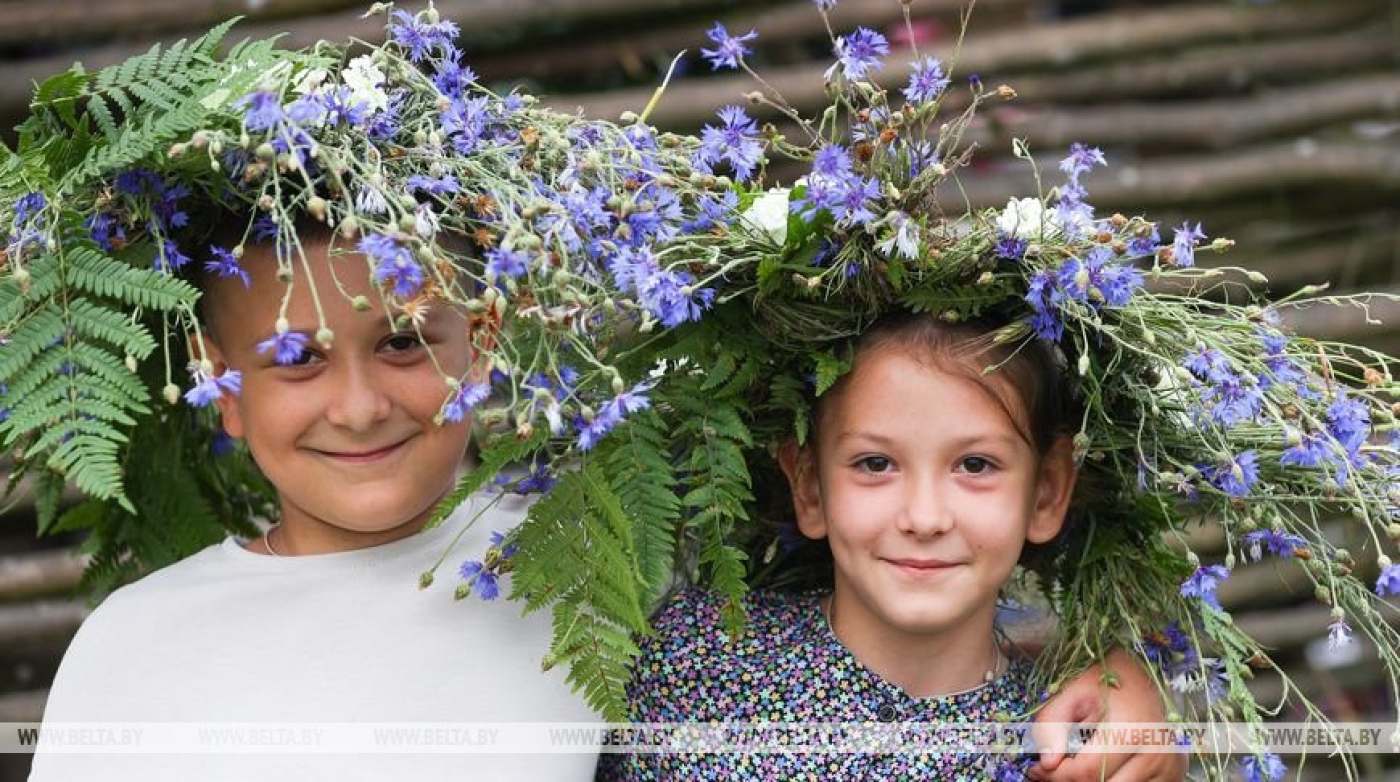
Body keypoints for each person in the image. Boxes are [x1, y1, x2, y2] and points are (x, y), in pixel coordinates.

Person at [29, 227, 600, 781]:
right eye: (298, 357)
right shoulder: (134, 646)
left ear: (481, 345)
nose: (358, 410)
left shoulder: (602, 569)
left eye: (402, 342)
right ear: (221, 380)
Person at [599, 314, 1185, 781]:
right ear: (809, 486)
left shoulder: (1073, 748)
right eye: (875, 464)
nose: (924, 518)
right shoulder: (695, 659)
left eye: (975, 465)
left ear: (1046, 492)